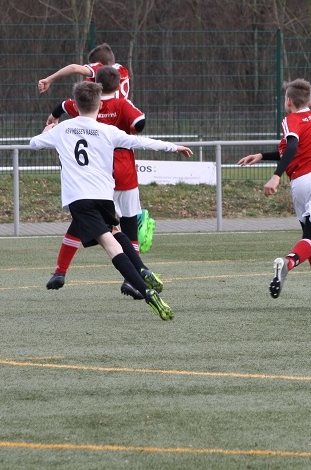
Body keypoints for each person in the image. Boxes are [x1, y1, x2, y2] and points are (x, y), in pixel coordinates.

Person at [29, 81, 192, 320]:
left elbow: (33, 144)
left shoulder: (63, 129)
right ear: (98, 105)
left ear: (75, 105)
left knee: (110, 245)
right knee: (116, 231)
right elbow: (142, 142)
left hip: (80, 198)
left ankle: (146, 292)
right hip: (104, 196)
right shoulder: (107, 130)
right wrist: (173, 147)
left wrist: (48, 130)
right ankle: (143, 269)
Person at [238, 79, 311, 308]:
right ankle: (288, 262)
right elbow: (294, 148)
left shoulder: (291, 120)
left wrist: (275, 173)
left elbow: (293, 148)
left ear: (288, 101)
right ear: (310, 101)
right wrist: (268, 164)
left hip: (301, 182)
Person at [37, 43, 154, 248]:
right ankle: (132, 248)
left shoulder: (94, 101)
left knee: (90, 215)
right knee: (126, 216)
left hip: (100, 161)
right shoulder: (122, 77)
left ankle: (70, 260)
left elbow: (73, 75)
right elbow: (139, 124)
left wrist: (50, 80)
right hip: (123, 155)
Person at [43, 67, 148, 295]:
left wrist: (54, 117)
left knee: (81, 223)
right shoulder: (122, 104)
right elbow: (139, 123)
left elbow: (63, 105)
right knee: (128, 225)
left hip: (96, 176)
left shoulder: (83, 102)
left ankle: (60, 270)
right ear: (119, 84)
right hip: (124, 172)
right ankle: (134, 278)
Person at [37, 42, 131, 99]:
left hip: (104, 118)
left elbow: (74, 68)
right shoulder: (122, 70)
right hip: (122, 118)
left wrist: (49, 79)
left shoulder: (101, 69)